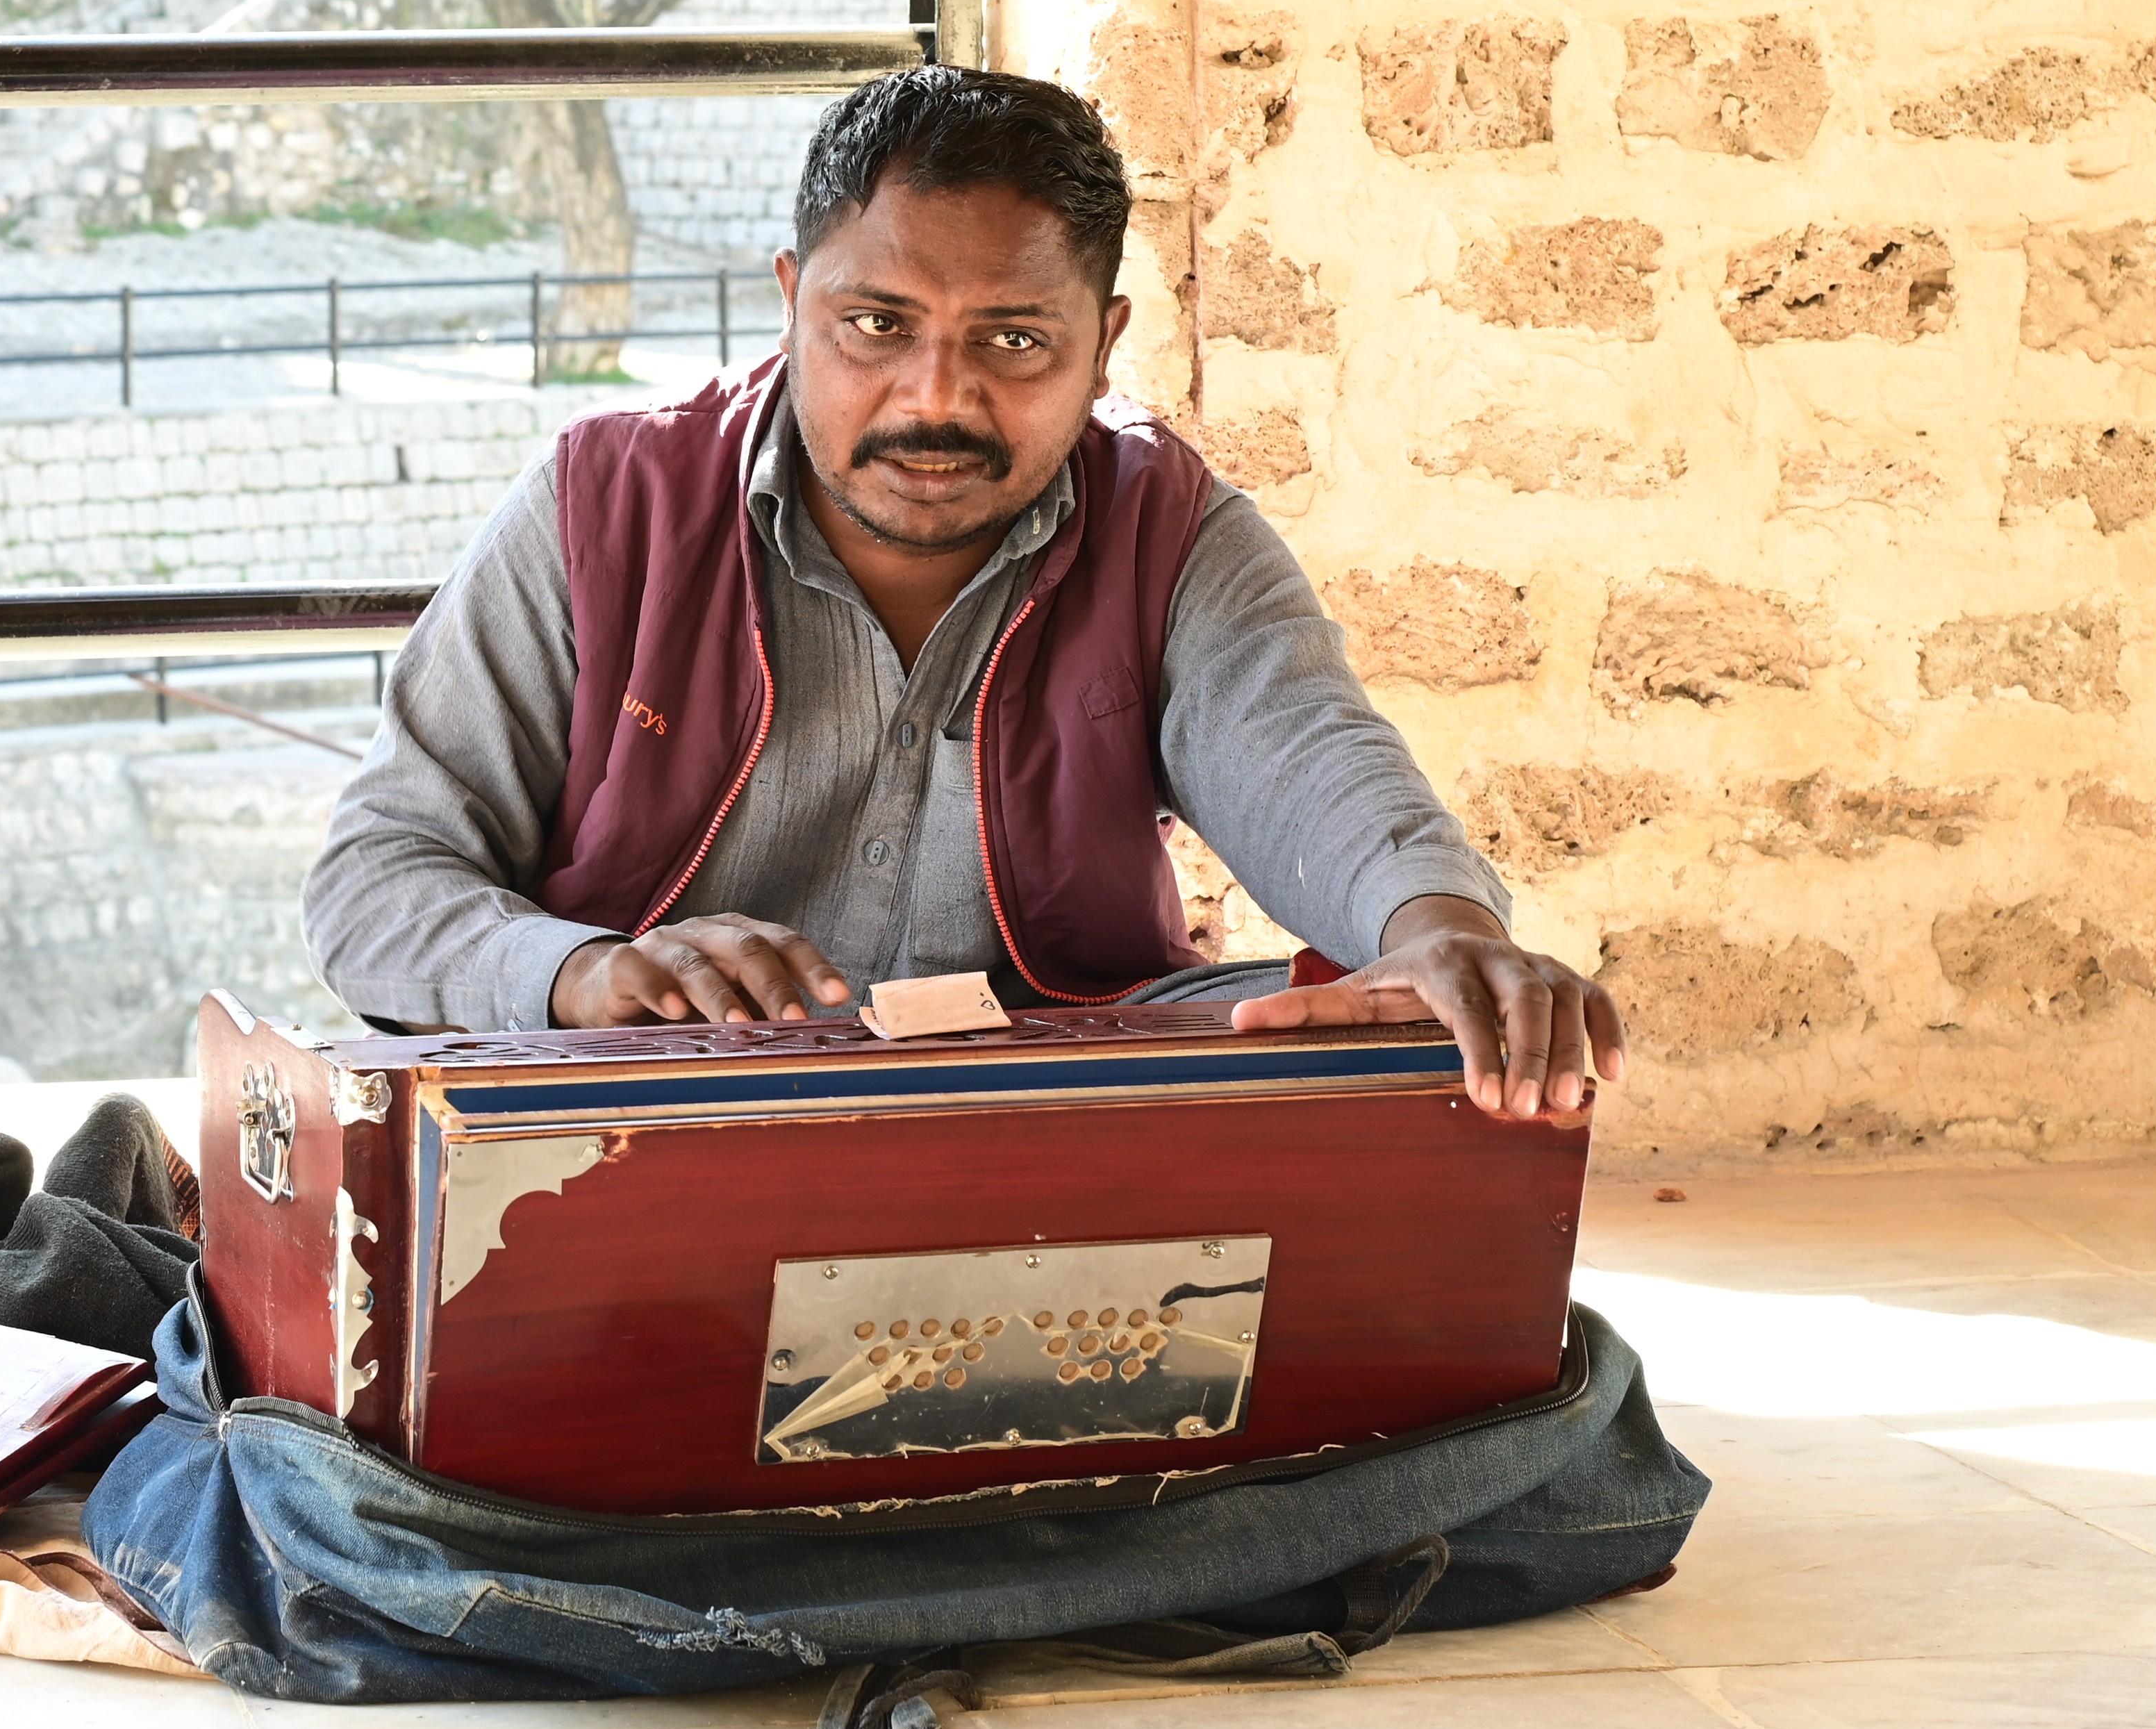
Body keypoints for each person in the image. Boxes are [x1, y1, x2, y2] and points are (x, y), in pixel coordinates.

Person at [301, 65, 1624, 1122]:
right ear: (789, 303)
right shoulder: (607, 503)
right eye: (873, 325)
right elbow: (373, 881)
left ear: (1101, 342)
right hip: (646, 1129)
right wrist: (578, 971)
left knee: (1358, 1059)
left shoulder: (1170, 527)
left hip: (1036, 1121)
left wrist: (1441, 931)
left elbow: (1313, 763)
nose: (935, 397)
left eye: (1012, 340)